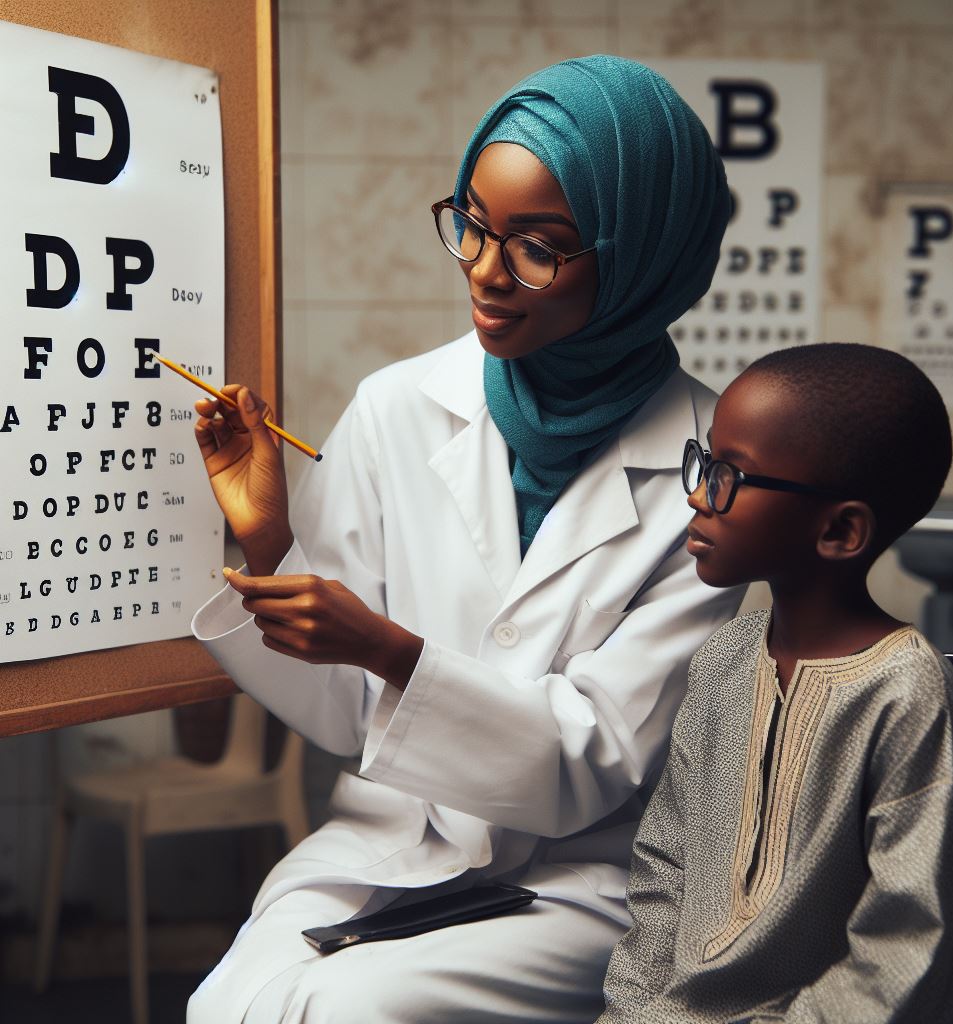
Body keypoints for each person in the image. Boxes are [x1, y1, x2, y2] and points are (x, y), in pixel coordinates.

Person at [186, 55, 744, 1023]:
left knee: (343, 1011)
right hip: (391, 839)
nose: (485, 271)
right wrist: (270, 538)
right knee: (228, 1004)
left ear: (640, 256)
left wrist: (387, 646)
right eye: (472, 225)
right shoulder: (399, 407)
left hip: (584, 880)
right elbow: (340, 711)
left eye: (539, 247)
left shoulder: (711, 472)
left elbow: (593, 759)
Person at [598, 342, 953, 1024]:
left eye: (731, 475)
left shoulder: (905, 694)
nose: (697, 495)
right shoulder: (722, 661)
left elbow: (909, 951)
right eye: (705, 462)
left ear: (841, 530)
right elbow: (663, 873)